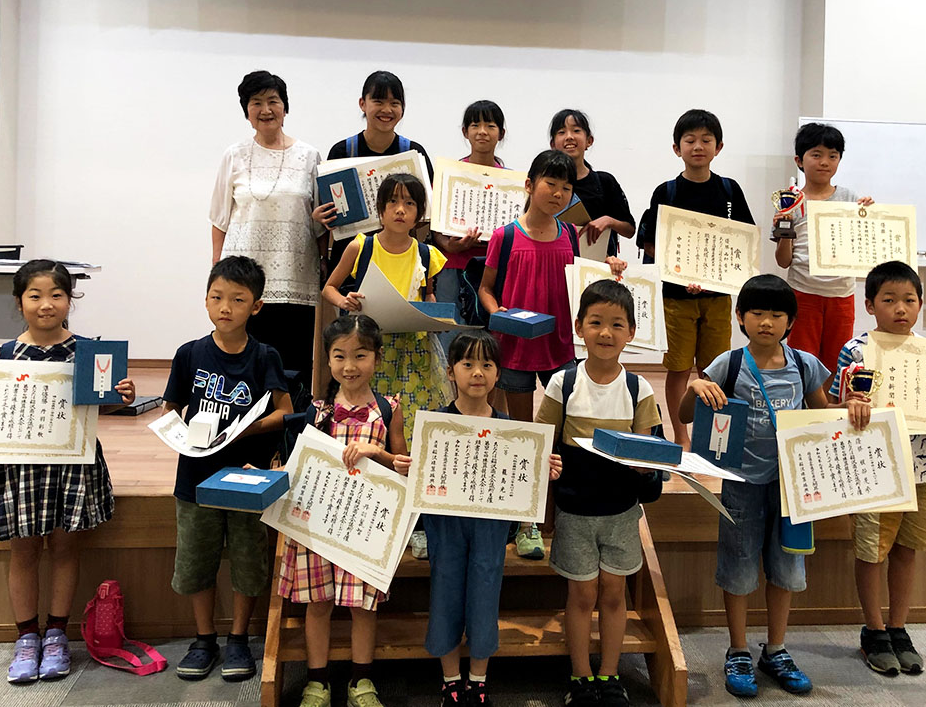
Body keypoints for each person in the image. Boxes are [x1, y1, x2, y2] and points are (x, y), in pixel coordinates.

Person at [0, 259, 136, 684]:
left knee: (65, 549)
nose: (46, 304)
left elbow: (101, 407)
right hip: (19, 468)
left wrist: (120, 396)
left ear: (70, 300)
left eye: (56, 295)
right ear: (18, 302)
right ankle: (27, 638)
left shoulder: (89, 352)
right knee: (23, 551)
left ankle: (57, 634)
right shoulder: (3, 355)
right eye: (35, 295)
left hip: (72, 465)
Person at [680, 274, 846, 699]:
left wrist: (854, 414)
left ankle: (776, 649)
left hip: (792, 488)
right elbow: (684, 415)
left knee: (786, 568)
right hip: (740, 484)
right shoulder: (728, 363)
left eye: (777, 314)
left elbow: (823, 417)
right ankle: (737, 650)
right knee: (738, 569)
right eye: (757, 313)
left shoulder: (805, 364)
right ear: (740, 317)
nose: (767, 322)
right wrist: (696, 385)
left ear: (791, 321)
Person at [478, 150, 627, 559]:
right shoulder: (505, 236)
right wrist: (498, 313)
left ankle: (559, 513)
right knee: (523, 435)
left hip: (560, 347)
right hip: (515, 349)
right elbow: (486, 289)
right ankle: (524, 523)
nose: (558, 193)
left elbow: (585, 284)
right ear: (529, 185)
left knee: (564, 435)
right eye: (550, 184)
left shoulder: (569, 235)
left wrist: (611, 269)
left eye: (566, 187)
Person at [161, 256, 293, 683]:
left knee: (248, 560)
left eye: (238, 300)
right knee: (196, 560)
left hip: (246, 477)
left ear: (256, 307)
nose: (226, 307)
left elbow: (285, 412)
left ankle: (238, 638)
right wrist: (176, 432)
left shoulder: (265, 356)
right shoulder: (189, 354)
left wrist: (249, 429)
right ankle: (204, 639)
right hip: (195, 477)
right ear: (205, 300)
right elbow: (171, 408)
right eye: (217, 297)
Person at [829, 260, 926, 677]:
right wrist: (849, 406)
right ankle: (874, 630)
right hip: (873, 467)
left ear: (920, 304)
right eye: (889, 300)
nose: (900, 308)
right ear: (869, 305)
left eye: (909, 299)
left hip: (921, 466)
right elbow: (833, 406)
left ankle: (899, 627)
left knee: (906, 548)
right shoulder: (856, 351)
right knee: (872, 550)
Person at [536, 280, 662, 707]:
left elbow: (648, 454)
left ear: (631, 332)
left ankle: (610, 675)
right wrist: (548, 463)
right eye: (595, 323)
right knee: (581, 594)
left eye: (617, 324)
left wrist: (648, 465)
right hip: (575, 509)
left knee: (613, 592)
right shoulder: (563, 383)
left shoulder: (639, 389)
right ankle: (580, 677)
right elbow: (542, 442)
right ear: (579, 327)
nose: (606, 333)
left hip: (622, 511)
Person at [421, 330, 563, 706]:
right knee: (445, 593)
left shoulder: (510, 430)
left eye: (487, 364)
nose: (477, 373)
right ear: (450, 371)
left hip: (490, 524)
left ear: (499, 373)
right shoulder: (435, 424)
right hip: (446, 523)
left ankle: (478, 681)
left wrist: (543, 469)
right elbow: (421, 475)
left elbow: (523, 479)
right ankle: (450, 681)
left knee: (485, 595)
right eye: (467, 363)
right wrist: (409, 466)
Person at [278, 314, 410, 707]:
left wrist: (378, 452)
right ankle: (316, 682)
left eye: (360, 355)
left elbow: (404, 466)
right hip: (318, 525)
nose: (349, 366)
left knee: (362, 608)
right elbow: (301, 466)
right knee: (317, 604)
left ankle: (361, 682)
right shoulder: (316, 410)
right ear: (328, 359)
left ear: (377, 357)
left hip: (364, 527)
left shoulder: (389, 409)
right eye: (339, 356)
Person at [323, 173, 448, 560]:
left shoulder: (427, 254)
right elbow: (329, 288)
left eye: (409, 203)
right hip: (371, 355)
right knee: (376, 430)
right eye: (392, 202)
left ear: (419, 214)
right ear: (379, 210)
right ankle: (378, 513)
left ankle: (417, 521)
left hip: (416, 354)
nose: (400, 210)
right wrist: (345, 302)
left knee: (414, 432)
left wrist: (432, 313)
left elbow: (428, 297)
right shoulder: (361, 245)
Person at [639, 108, 754, 451]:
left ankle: (709, 436)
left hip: (718, 298)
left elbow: (744, 239)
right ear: (677, 148)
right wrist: (681, 274)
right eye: (690, 140)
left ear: (719, 147)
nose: (698, 146)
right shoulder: (667, 191)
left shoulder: (729, 190)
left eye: (706, 140)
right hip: (676, 298)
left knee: (713, 370)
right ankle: (682, 435)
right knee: (677, 370)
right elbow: (651, 244)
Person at [210, 69, 332, 375]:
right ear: (247, 112)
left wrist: (323, 259)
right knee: (244, 358)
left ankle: (291, 409)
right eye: (256, 102)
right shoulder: (234, 155)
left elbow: (318, 218)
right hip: (244, 275)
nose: (266, 109)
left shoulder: (309, 156)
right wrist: (217, 269)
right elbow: (220, 218)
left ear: (285, 108)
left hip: (296, 272)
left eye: (273, 101)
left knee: (293, 361)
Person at [773, 122, 873, 383]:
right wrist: (784, 229)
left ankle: (829, 408)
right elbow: (783, 261)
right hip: (803, 292)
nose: (825, 162)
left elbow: (862, 242)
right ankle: (804, 407)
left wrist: (869, 216)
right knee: (802, 361)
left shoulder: (849, 198)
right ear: (799, 160)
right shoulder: (790, 201)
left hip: (841, 294)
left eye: (833, 156)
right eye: (816, 155)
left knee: (837, 362)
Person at [326, 70, 435, 274]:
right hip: (350, 261)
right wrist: (323, 216)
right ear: (362, 104)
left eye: (394, 103)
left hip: (401, 259)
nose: (387, 109)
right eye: (378, 101)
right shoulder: (342, 152)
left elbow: (428, 211)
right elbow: (327, 208)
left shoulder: (414, 153)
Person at [434, 99, 508, 348]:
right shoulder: (449, 174)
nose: (482, 131)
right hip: (453, 264)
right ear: (465, 132)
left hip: (492, 269)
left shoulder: (513, 181)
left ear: (501, 133)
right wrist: (449, 245)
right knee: (450, 334)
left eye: (490, 125)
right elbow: (435, 227)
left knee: (490, 338)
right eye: (475, 125)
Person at [549, 109, 635, 257]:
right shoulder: (545, 186)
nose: (569, 137)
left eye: (576, 130)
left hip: (598, 265)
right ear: (553, 144)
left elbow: (630, 230)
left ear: (589, 141)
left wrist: (608, 221)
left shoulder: (605, 182)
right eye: (561, 132)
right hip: (555, 261)